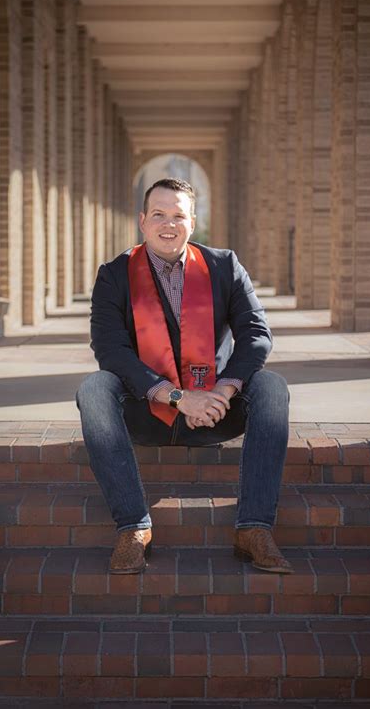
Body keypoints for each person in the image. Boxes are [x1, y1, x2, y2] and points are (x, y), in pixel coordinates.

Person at [76, 178, 293, 575]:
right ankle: (133, 528)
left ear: (193, 221)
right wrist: (177, 397)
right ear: (142, 222)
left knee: (271, 387)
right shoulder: (115, 274)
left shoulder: (223, 266)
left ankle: (254, 528)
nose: (168, 224)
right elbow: (110, 349)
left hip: (213, 411)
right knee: (94, 388)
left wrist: (223, 390)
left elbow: (257, 334)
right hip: (146, 412)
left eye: (178, 215)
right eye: (158, 214)